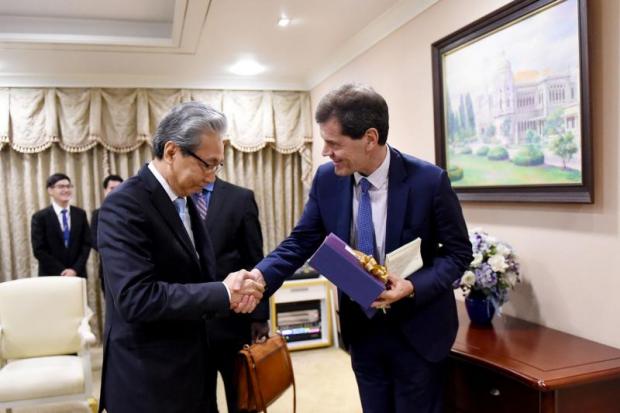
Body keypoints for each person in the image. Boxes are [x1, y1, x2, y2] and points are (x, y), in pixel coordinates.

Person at [251, 84, 472, 412]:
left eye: (333, 143)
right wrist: (258, 278)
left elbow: (458, 252)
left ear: (370, 138)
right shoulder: (327, 180)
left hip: (419, 332)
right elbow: (300, 241)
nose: (325, 152)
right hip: (363, 331)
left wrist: (411, 286)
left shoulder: (429, 181)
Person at [97, 102, 265, 413]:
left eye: (218, 166)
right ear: (173, 152)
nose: (212, 175)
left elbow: (194, 277)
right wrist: (223, 291)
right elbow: (136, 297)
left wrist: (235, 295)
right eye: (207, 164)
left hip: (194, 367)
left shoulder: (184, 199)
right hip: (150, 378)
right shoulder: (124, 205)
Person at [192, 178, 269, 413]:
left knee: (242, 400)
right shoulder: (174, 199)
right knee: (197, 401)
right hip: (188, 323)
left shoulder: (240, 198)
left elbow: (254, 258)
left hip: (233, 319)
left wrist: (259, 315)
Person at [31, 173, 91, 278]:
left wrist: (74, 270)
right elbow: (39, 250)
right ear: (50, 190)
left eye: (68, 186)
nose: (66, 190)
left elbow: (86, 244)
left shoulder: (80, 214)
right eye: (61, 187)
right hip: (51, 275)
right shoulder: (40, 217)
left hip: (77, 274)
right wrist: (62, 271)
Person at [91, 174, 123, 292]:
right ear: (105, 190)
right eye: (112, 188)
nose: (116, 191)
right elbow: (94, 240)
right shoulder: (97, 214)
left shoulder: (133, 211)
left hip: (132, 268)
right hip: (108, 268)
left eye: (120, 187)